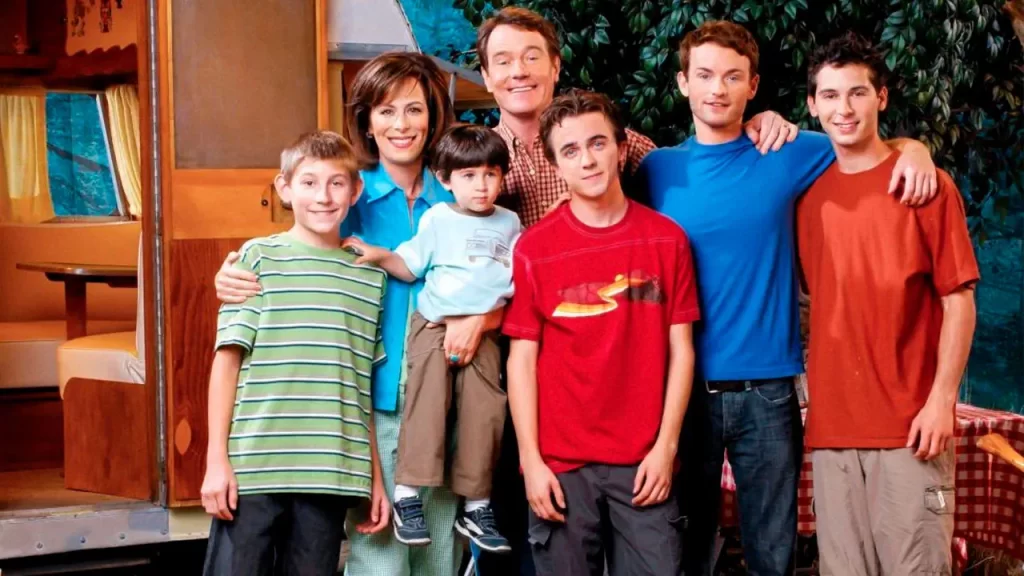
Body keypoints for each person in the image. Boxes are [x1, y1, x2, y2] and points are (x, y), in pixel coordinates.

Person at [637, 20, 939, 576]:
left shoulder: (788, 151)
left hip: (769, 393)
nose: (717, 89)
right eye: (704, 75)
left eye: (733, 77)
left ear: (753, 86)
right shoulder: (657, 170)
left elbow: (864, 143)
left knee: (772, 555)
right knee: (683, 550)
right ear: (682, 82)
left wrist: (915, 150)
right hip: (683, 392)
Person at [214, 53, 495, 576]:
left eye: (414, 109)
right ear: (366, 120)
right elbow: (293, 252)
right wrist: (231, 272)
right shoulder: (345, 192)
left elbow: (505, 280)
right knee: (380, 558)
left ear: (433, 116)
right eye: (386, 111)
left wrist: (483, 319)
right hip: (372, 401)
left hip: (449, 391)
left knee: (439, 557)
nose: (401, 124)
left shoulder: (461, 194)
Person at [797, 33, 979, 576]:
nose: (844, 109)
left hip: (910, 428)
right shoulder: (808, 200)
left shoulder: (925, 186)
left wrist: (941, 401)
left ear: (881, 97)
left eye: (857, 93)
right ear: (812, 106)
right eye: (830, 95)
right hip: (832, 432)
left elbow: (959, 300)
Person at [505, 89, 700, 576]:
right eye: (570, 150)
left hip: (644, 462)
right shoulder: (534, 248)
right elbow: (521, 359)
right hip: (560, 466)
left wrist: (666, 448)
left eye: (597, 144)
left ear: (621, 148)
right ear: (556, 164)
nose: (587, 160)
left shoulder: (667, 239)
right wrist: (531, 461)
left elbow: (682, 351)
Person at [199, 131, 390, 576]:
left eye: (336, 183)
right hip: (253, 469)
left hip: (331, 471)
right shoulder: (257, 259)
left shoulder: (369, 278)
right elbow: (226, 364)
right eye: (309, 183)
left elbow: (358, 386)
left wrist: (374, 478)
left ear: (355, 190)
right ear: (284, 189)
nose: (323, 197)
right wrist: (216, 460)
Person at [343, 124, 520, 554]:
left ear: (502, 177)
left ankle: (476, 506)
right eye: (469, 175)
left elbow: (519, 282)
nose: (481, 185)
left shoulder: (510, 222)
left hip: (484, 331)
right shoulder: (438, 218)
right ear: (446, 180)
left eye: (491, 174)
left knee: (486, 411)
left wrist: (486, 321)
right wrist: (380, 256)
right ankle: (407, 494)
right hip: (434, 323)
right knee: (428, 400)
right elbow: (411, 266)